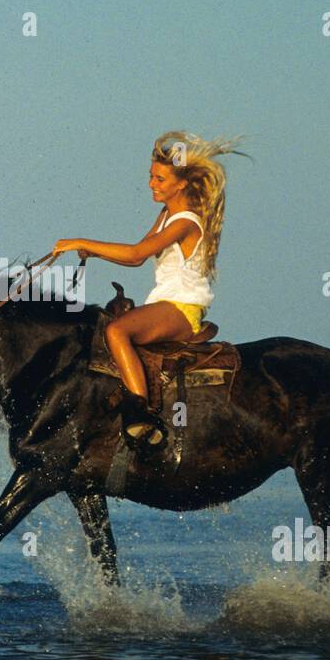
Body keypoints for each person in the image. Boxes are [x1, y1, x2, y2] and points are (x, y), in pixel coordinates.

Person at [53, 130, 247, 449]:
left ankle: (140, 414)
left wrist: (81, 241)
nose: (151, 184)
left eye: (159, 179)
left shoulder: (185, 221)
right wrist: (96, 253)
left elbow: (136, 254)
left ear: (181, 183)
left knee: (116, 332)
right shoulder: (166, 215)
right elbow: (137, 259)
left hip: (183, 308)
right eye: (150, 177)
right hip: (166, 303)